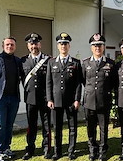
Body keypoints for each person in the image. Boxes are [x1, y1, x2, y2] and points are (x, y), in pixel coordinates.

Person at [46, 32, 82, 160]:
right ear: (57, 46)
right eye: (61, 44)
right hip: (56, 101)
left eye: (65, 44)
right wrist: (49, 99)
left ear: (69, 46)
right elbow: (48, 82)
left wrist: (77, 99)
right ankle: (58, 152)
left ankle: (71, 151)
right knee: (57, 128)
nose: (63, 46)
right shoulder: (51, 62)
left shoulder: (76, 63)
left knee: (72, 128)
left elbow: (78, 84)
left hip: (71, 101)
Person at [82, 33, 117, 161]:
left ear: (104, 47)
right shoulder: (85, 63)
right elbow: (83, 80)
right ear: (91, 48)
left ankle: (103, 150)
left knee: (103, 128)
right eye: (95, 46)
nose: (97, 48)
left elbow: (114, 82)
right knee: (90, 127)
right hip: (89, 101)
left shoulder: (111, 64)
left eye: (100, 45)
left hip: (104, 101)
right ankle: (92, 150)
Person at [21, 33, 52, 160]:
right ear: (28, 46)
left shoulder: (48, 60)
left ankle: (47, 149)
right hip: (30, 99)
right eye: (31, 44)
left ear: (40, 44)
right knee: (31, 125)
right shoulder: (23, 61)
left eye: (36, 43)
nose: (34, 46)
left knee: (46, 125)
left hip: (45, 98)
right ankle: (30, 149)